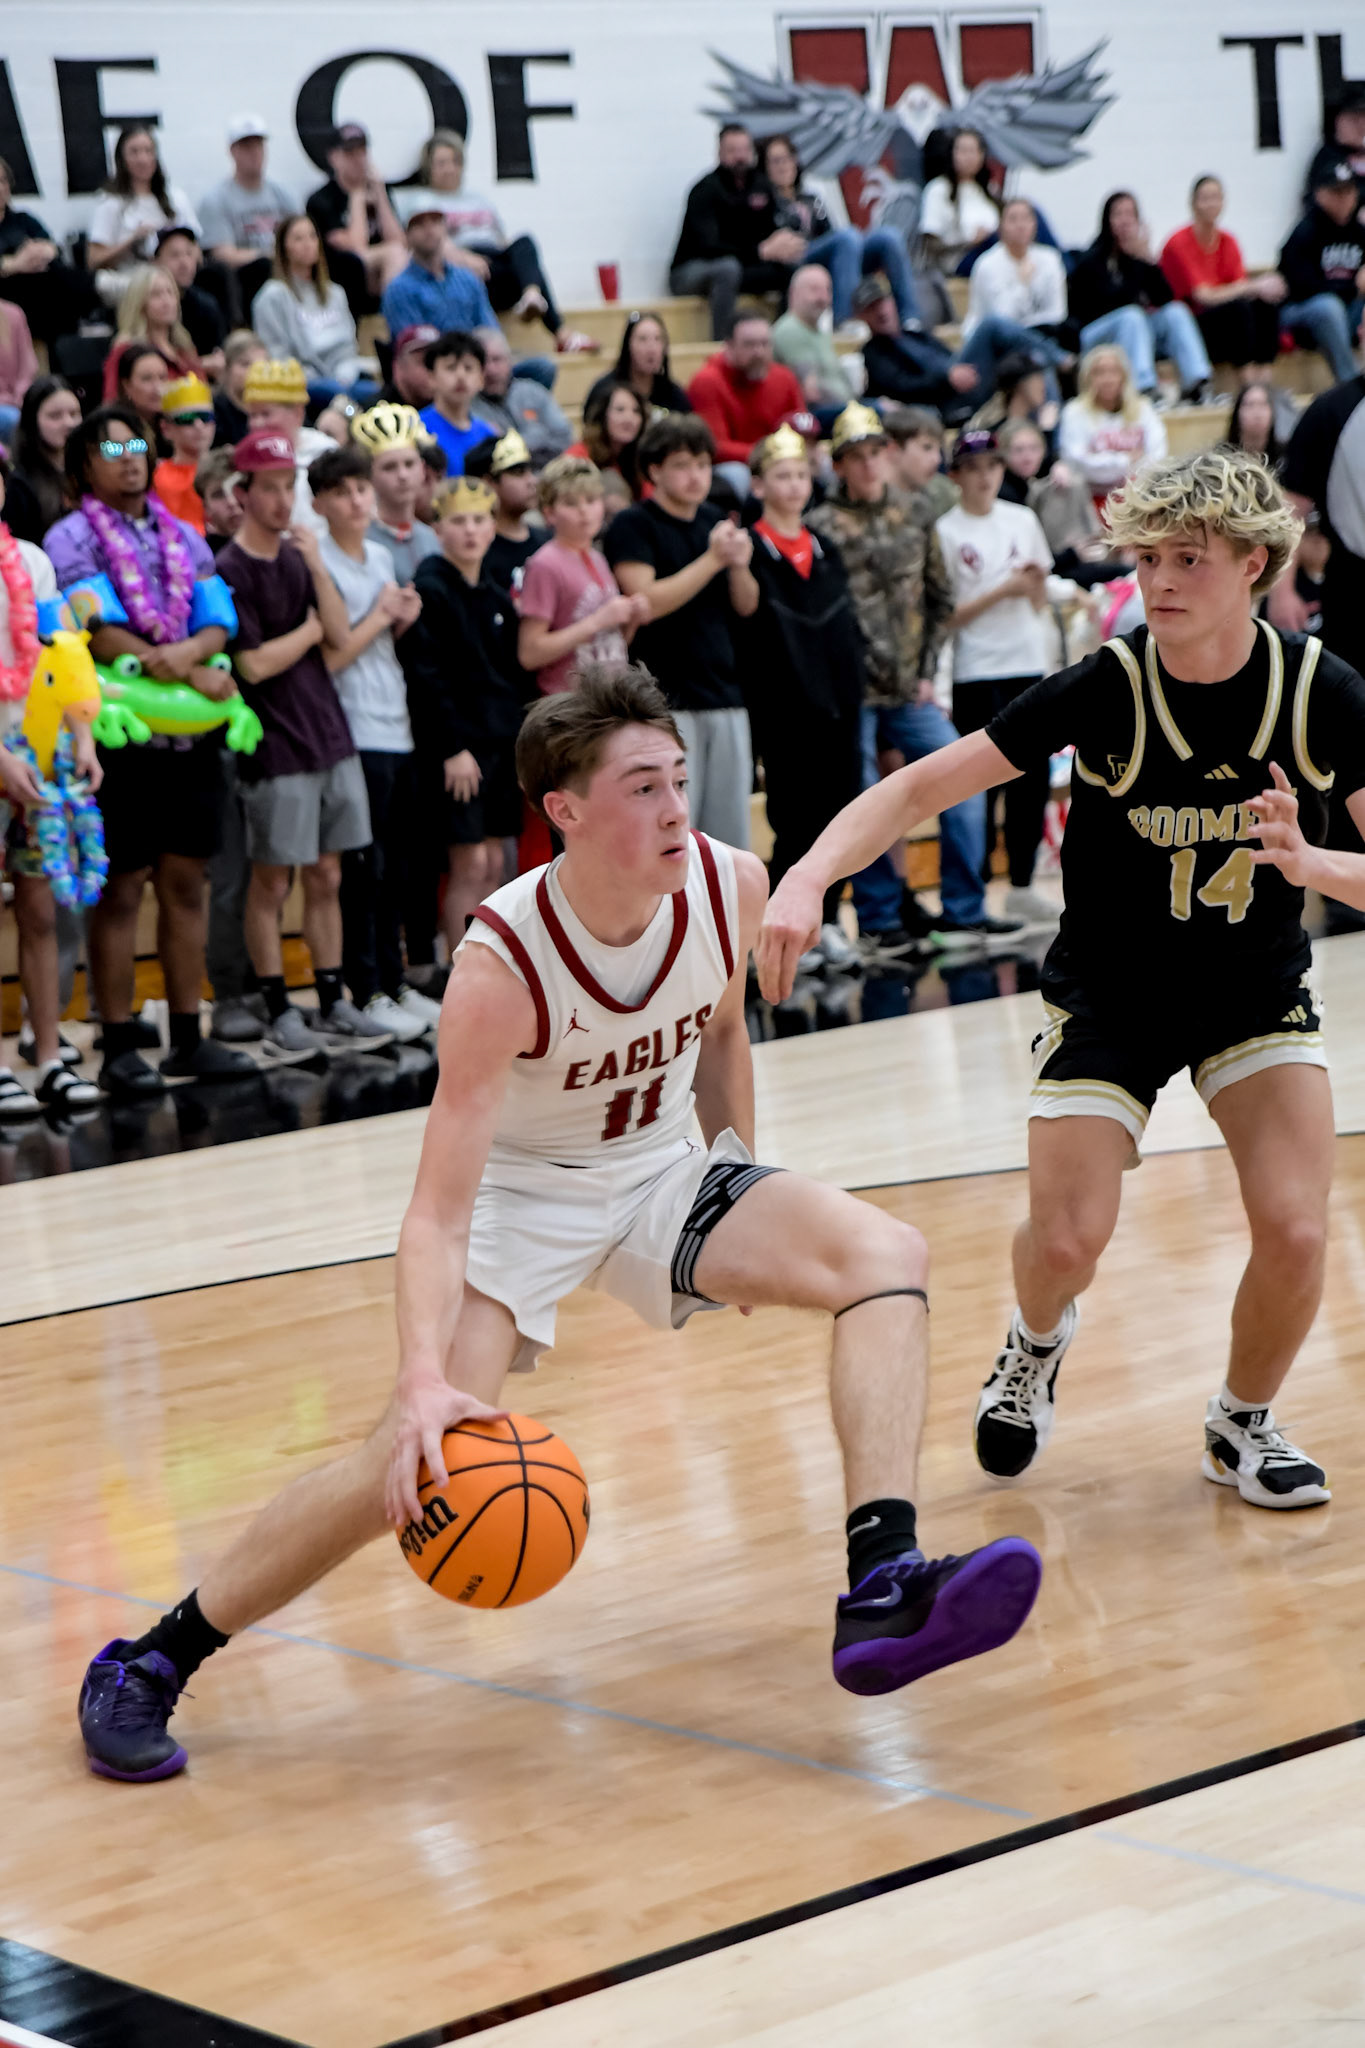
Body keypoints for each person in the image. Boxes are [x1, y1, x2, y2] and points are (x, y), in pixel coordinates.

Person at [75, 662, 1045, 1782]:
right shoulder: (503, 963)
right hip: (520, 1201)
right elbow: (436, 1212)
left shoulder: (728, 882)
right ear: (564, 811)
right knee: (410, 1454)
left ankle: (882, 1581)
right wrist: (420, 1376)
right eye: (642, 788)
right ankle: (152, 1657)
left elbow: (721, 1034)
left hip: (660, 1171)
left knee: (886, 1254)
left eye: (676, 778)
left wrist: (737, 1185)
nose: (676, 807)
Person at [760, 446, 1365, 1516]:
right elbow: (916, 789)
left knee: (1298, 1229)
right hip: (1111, 992)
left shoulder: (1322, 690)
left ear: (1253, 564)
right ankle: (1034, 1341)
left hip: (1253, 987)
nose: (1158, 580)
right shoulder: (1109, 685)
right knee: (1066, 1240)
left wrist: (1313, 864)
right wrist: (805, 876)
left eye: (1187, 558)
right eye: (1147, 558)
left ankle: (1242, 1423)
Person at [45, 405, 257, 1096]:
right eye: (112, 450)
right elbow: (95, 627)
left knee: (186, 882)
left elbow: (216, 619)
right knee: (122, 887)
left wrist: (190, 656)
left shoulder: (184, 533)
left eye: (137, 445)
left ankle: (189, 1037)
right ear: (83, 466)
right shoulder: (70, 536)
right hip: (119, 737)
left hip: (188, 737)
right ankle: (117, 1044)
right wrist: (176, 665)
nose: (130, 458)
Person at [806, 402, 1019, 953]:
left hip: (909, 690)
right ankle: (879, 918)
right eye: (855, 457)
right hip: (853, 695)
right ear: (839, 465)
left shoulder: (918, 513)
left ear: (887, 455)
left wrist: (926, 673)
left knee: (966, 778)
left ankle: (964, 909)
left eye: (875, 453)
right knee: (864, 801)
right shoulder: (820, 526)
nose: (868, 465)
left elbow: (939, 598)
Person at [216, 427, 383, 1056]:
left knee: (328, 873)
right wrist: (309, 632)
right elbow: (253, 665)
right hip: (275, 742)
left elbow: (338, 633)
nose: (283, 500)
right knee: (272, 881)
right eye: (270, 488)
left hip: (328, 733)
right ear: (243, 493)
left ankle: (333, 1000)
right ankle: (278, 1006)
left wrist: (315, 563)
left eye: (289, 487)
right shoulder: (229, 568)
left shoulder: (297, 556)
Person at [308, 442, 433, 1042]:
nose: (357, 500)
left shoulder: (381, 555)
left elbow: (380, 638)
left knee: (399, 865)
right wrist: (382, 616)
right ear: (319, 504)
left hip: (396, 722)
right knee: (366, 868)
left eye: (361, 488)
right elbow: (330, 658)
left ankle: (395, 979)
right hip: (353, 727)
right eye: (342, 493)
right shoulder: (319, 561)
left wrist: (400, 616)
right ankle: (367, 989)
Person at [738, 423, 863, 968]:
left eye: (800, 475)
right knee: (795, 821)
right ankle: (780, 929)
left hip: (839, 703)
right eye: (781, 476)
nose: (793, 485)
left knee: (839, 821)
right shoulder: (751, 548)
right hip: (784, 707)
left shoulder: (823, 546)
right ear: (759, 485)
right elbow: (747, 618)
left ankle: (828, 920)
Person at [0, 459, 103, 1118]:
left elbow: (62, 656)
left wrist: (81, 738)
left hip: (37, 757)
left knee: (40, 910)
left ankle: (47, 1056)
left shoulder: (32, 562)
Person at [604, 414, 758, 842]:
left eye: (703, 465)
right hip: (664, 698)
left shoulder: (715, 519)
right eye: (683, 466)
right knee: (673, 831)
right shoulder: (633, 524)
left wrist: (739, 566)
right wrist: (713, 559)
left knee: (729, 838)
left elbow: (746, 605)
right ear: (654, 471)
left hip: (725, 693)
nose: (696, 476)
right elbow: (646, 602)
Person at [934, 428, 1055, 926]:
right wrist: (1004, 589)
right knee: (980, 784)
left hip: (1026, 660)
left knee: (1032, 780)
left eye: (991, 467)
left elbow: (1039, 598)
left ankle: (1023, 884)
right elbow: (947, 615)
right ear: (955, 476)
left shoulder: (1022, 519)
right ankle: (976, 892)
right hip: (977, 669)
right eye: (973, 468)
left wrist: (1033, 587)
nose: (984, 477)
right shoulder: (946, 531)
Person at [404, 473, 528, 950]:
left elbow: (509, 678)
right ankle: (460, 973)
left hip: (498, 745)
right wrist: (452, 748)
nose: (470, 531)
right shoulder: (431, 587)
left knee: (495, 862)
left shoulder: (496, 595)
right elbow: (427, 678)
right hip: (459, 748)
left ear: (493, 527)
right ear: (437, 529)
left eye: (479, 520)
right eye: (458, 522)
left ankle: (489, 968)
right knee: (469, 863)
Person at [406, 130, 597, 354]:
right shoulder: (423, 202)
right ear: (429, 167)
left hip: (494, 262)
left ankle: (532, 297)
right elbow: (432, 243)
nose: (450, 168)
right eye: (442, 163)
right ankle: (559, 332)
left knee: (525, 244)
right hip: (462, 270)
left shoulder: (479, 199)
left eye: (455, 162)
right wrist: (465, 259)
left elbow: (501, 240)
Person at [759, 132, 921, 329]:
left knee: (888, 236)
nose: (783, 166)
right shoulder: (762, 201)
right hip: (797, 259)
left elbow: (829, 234)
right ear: (765, 167)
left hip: (828, 253)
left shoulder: (810, 198)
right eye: (776, 161)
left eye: (787, 158)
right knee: (847, 238)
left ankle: (910, 319)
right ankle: (846, 320)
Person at [1068, 193, 1214, 403]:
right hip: (1094, 333)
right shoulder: (1091, 259)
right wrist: (1134, 260)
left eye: (1130, 214)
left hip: (1134, 331)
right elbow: (1108, 304)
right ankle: (1144, 389)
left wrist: (1148, 259)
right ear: (1107, 219)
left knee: (1176, 312)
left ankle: (1197, 382)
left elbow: (1165, 297)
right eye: (1118, 214)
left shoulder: (1138, 256)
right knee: (1133, 316)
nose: (1125, 221)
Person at [517, 453, 644, 694]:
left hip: (608, 697)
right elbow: (530, 653)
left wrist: (631, 618)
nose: (584, 511)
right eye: (571, 503)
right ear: (549, 513)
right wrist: (598, 620)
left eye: (591, 500)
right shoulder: (545, 564)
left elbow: (608, 644)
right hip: (570, 702)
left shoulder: (598, 558)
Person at [670, 125, 803, 341]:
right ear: (719, 153)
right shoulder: (704, 190)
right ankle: (724, 345)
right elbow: (709, 246)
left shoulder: (762, 185)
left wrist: (783, 243)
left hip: (743, 267)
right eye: (732, 150)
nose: (740, 157)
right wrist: (759, 251)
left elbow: (773, 232)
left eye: (744, 150)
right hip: (691, 271)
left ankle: (784, 339)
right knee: (727, 269)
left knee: (794, 271)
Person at [1160, 176, 1284, 382]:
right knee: (1239, 310)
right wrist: (1253, 285)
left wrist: (1258, 287)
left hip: (1225, 319)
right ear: (1193, 203)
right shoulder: (1179, 243)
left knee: (1265, 307)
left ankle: (1265, 379)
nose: (1211, 204)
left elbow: (1240, 285)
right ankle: (1247, 382)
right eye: (1205, 198)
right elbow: (1203, 296)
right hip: (1191, 327)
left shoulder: (1228, 240)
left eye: (1216, 197)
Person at [252, 215, 379, 408]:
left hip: (344, 378)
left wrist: (345, 375)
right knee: (334, 392)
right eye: (298, 238)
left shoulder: (335, 293)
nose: (308, 244)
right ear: (284, 248)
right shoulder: (272, 297)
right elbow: (277, 356)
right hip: (301, 384)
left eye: (312, 236)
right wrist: (318, 380)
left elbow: (348, 348)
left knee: (377, 393)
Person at [686, 314, 806, 495]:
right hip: (736, 466)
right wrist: (771, 454)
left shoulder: (784, 377)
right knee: (738, 474)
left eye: (765, 344)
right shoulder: (707, 381)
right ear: (729, 346)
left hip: (779, 460)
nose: (759, 352)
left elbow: (801, 425)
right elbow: (715, 446)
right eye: (749, 344)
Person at [88, 125, 200, 308]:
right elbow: (94, 260)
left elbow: (196, 247)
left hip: (176, 276)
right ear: (121, 158)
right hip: (132, 278)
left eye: (148, 151)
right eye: (134, 152)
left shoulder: (175, 198)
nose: (142, 159)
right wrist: (132, 241)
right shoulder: (110, 202)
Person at [1277, 153, 1365, 386]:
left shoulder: (1359, 232)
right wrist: (1353, 286)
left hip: (1347, 312)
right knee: (1328, 307)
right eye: (1336, 192)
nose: (1344, 199)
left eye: (1348, 191)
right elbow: (1302, 286)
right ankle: (1351, 384)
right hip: (1301, 313)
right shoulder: (1306, 231)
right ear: (1320, 194)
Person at [198, 116, 296, 321]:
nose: (254, 153)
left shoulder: (281, 194)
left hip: (285, 266)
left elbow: (301, 233)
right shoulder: (216, 199)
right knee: (262, 267)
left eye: (258, 146)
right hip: (246, 279)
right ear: (232, 151)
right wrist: (269, 255)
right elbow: (224, 255)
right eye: (246, 147)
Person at [305, 123, 407, 313]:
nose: (358, 160)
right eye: (350, 154)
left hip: (380, 270)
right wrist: (357, 197)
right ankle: (393, 316)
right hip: (344, 273)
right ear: (334, 158)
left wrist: (381, 195)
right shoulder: (322, 200)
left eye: (362, 152)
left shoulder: (380, 190)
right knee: (390, 254)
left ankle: (391, 315)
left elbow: (399, 241)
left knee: (398, 253)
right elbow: (356, 248)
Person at [0, 155, 101, 346]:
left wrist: (39, 253)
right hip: (10, 292)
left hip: (41, 285)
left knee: (60, 278)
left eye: (3, 181)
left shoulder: (23, 220)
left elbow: (50, 247)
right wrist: (15, 263)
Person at [963, 199, 1073, 372]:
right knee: (1034, 355)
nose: (1020, 225)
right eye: (1013, 219)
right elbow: (1003, 319)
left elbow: (1057, 313)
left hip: (1039, 335)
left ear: (1035, 225)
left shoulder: (1050, 258)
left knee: (1046, 346)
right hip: (991, 341)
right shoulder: (987, 264)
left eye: (1026, 218)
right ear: (1001, 227)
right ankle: (1060, 360)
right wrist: (1022, 284)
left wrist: (1029, 328)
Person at [854, 273, 977, 422]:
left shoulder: (916, 335)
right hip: (941, 402)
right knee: (991, 326)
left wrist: (957, 372)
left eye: (881, 303)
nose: (880, 311)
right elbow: (902, 386)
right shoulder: (873, 352)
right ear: (862, 317)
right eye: (871, 308)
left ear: (892, 302)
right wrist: (947, 378)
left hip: (966, 381)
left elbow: (950, 355)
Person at [1057, 345, 1168, 504]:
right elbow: (1078, 462)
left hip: (1137, 496)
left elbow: (1157, 456)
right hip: (1090, 499)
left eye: (1114, 371)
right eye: (1099, 372)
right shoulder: (1075, 412)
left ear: (1124, 376)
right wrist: (1125, 461)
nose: (1107, 379)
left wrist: (1105, 463)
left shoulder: (1144, 408)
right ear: (1088, 377)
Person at [381, 195, 498, 342]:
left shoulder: (468, 280)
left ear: (444, 229)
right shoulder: (399, 289)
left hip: (473, 354)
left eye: (435, 222)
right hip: (431, 355)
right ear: (407, 234)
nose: (429, 230)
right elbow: (412, 344)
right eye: (419, 224)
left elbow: (490, 331)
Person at [240, 355, 336, 531]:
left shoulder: (326, 454)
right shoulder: (246, 457)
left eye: (266, 414)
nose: (257, 423)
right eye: (253, 415)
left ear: (297, 413)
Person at [352, 400, 443, 583]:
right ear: (370, 476)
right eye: (389, 467)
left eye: (409, 464)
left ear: (423, 469)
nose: (402, 475)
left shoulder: (431, 539)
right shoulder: (359, 539)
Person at [470, 325, 572, 468]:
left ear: (509, 361)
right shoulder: (468, 407)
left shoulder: (533, 392)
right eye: (483, 362)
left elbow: (564, 437)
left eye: (497, 359)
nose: (490, 369)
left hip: (551, 472)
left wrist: (512, 446)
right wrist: (539, 436)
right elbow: (487, 455)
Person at [103, 266, 199, 401]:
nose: (166, 301)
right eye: (156, 295)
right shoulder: (126, 349)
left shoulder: (184, 347)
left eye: (170, 292)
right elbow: (112, 400)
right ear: (139, 303)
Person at [4, 375, 80, 542]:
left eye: (74, 414)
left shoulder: (88, 470)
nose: (69, 423)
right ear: (32, 421)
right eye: (55, 416)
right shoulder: (19, 484)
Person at [772, 266, 856, 415]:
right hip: (818, 414)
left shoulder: (820, 332)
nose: (823, 298)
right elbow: (812, 393)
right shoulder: (790, 330)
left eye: (827, 290)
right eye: (814, 290)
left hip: (843, 409)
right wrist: (854, 408)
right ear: (793, 293)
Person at [465, 428, 542, 589]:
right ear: (488, 483)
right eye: (519, 473)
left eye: (530, 471)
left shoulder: (546, 540)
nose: (532, 481)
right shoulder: (476, 553)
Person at [919, 129, 1000, 281]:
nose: (968, 157)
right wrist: (970, 243)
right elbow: (930, 245)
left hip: (994, 256)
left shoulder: (989, 191)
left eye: (973, 151)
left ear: (982, 155)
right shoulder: (938, 189)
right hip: (957, 261)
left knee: (1029, 214)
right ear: (951, 154)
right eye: (962, 151)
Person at [583, 311, 692, 421]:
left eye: (657, 339)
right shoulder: (604, 390)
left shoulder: (674, 395)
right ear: (628, 345)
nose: (651, 348)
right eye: (642, 339)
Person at [418, 329, 497, 477]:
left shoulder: (488, 435)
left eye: (468, 368)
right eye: (451, 367)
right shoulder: (417, 428)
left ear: (481, 378)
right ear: (431, 377)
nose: (461, 376)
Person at [153, 227, 227, 377]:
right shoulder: (146, 303)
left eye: (189, 253)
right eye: (175, 255)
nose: (184, 262)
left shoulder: (206, 305)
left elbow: (218, 356)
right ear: (156, 261)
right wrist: (201, 365)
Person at [152, 374, 216, 531]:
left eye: (206, 417)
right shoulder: (154, 476)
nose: (199, 426)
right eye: (187, 418)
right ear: (166, 428)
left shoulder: (229, 470)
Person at [569, 382, 646, 496]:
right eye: (620, 410)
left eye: (636, 411)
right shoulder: (578, 457)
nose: (629, 419)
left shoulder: (641, 457)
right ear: (602, 416)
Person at [883, 406, 958, 521]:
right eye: (927, 447)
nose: (937, 459)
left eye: (939, 450)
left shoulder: (943, 490)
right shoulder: (872, 498)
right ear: (894, 450)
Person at [1226, 381, 1295, 471]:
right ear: (1237, 412)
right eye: (1250, 405)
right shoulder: (1223, 456)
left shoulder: (1286, 455)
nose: (1257, 413)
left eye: (1263, 405)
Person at [213, 330, 265, 447]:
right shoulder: (214, 411)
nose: (254, 371)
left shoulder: (273, 407)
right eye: (245, 364)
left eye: (261, 365)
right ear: (227, 367)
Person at [0, 299, 37, 443]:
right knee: (13, 420)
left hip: (16, 402)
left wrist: (18, 398)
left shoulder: (14, 314)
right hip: (9, 411)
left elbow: (27, 368)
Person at [194, 446, 242, 553]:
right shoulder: (201, 557)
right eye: (218, 495)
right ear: (206, 508)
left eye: (237, 488)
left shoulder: (278, 545)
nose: (231, 502)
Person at [381, 323, 439, 410]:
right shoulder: (376, 412)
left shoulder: (453, 410)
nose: (432, 371)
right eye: (426, 362)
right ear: (398, 367)